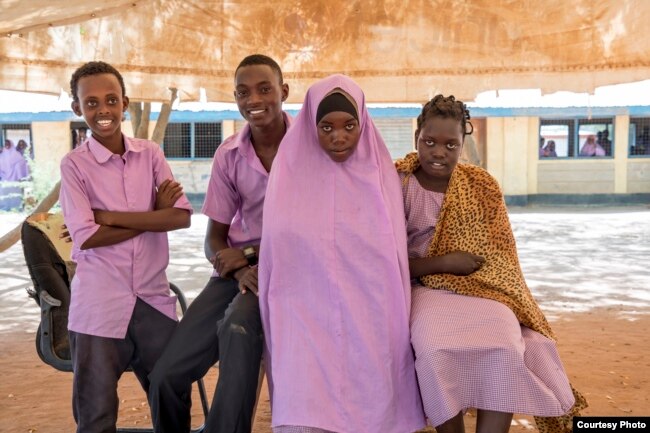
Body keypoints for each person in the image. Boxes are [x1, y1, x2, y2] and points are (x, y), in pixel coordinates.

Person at [395, 94, 587, 433]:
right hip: (421, 288)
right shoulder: (397, 183)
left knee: (504, 344)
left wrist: (463, 270)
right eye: (430, 142)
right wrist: (444, 263)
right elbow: (386, 262)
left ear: (462, 145)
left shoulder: (482, 186)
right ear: (416, 138)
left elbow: (500, 258)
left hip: (482, 290)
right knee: (433, 347)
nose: (439, 152)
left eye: (450, 145)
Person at [258, 74, 425, 433]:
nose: (338, 136)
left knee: (374, 383)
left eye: (350, 125)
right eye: (326, 127)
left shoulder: (380, 174)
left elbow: (390, 250)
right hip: (302, 302)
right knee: (305, 400)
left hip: (370, 301)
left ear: (363, 123)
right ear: (310, 127)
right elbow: (279, 248)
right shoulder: (289, 174)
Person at [148, 54, 290, 433]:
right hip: (234, 274)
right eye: (243, 92)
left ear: (284, 92)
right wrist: (240, 266)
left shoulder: (309, 150)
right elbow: (214, 239)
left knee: (238, 328)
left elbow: (311, 232)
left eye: (264, 89)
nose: (253, 99)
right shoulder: (229, 155)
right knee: (166, 376)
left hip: (288, 270)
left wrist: (247, 254)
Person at [59, 60, 193, 433]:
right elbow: (86, 236)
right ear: (77, 108)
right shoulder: (73, 166)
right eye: (91, 103)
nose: (103, 110)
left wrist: (110, 217)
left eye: (111, 100)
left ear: (125, 103)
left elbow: (181, 217)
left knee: (172, 397)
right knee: (96, 411)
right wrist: (153, 214)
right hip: (99, 304)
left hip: (153, 299)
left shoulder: (149, 154)